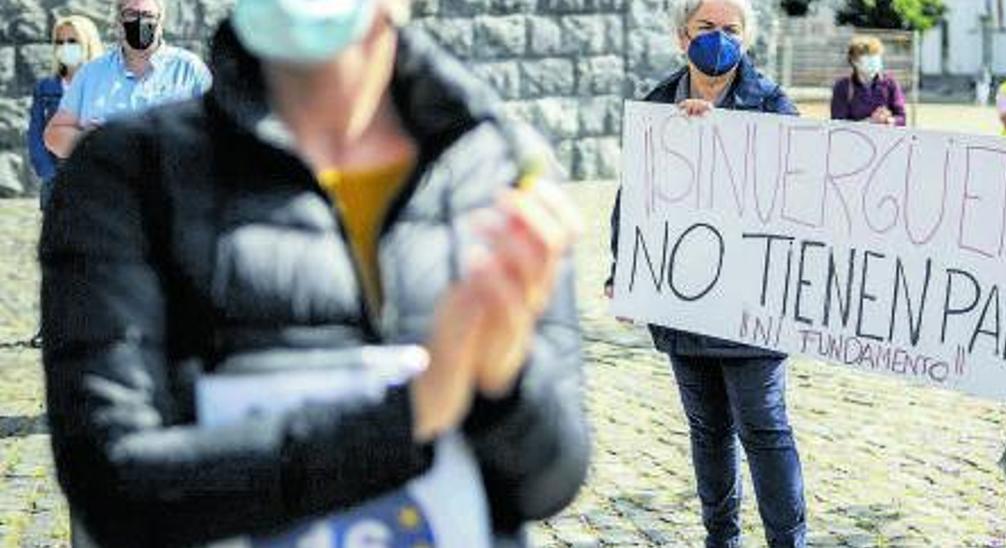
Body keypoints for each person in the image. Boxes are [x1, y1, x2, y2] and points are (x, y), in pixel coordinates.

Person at [40, 0, 589, 546]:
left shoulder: (492, 165)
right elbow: (110, 488)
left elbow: (551, 483)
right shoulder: (125, 174)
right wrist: (411, 413)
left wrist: (504, 381)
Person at [606, 1, 805, 546]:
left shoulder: (772, 106)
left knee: (764, 429)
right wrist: (624, 268)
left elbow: (799, 193)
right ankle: (722, 538)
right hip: (682, 301)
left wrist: (724, 140)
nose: (719, 38)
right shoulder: (655, 106)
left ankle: (788, 541)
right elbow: (636, 196)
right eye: (706, 28)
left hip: (751, 308)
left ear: (747, 39)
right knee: (708, 432)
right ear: (681, 37)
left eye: (731, 30)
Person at [43, 0, 211, 159]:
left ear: (160, 23)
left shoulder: (189, 70)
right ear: (118, 23)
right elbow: (54, 135)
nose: (139, 22)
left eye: (147, 15)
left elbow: (223, 132)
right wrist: (88, 139)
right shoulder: (91, 73)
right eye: (131, 14)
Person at [27, 15, 104, 209]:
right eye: (60, 42)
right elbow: (35, 135)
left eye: (72, 41)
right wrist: (50, 174)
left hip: (97, 182)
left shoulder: (105, 84)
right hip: (56, 182)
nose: (65, 46)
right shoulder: (45, 87)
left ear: (87, 43)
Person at [829, 35, 905, 126]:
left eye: (876, 59)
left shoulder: (890, 84)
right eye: (868, 60)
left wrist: (888, 120)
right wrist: (870, 122)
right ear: (854, 61)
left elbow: (901, 117)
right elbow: (837, 123)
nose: (874, 64)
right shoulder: (842, 86)